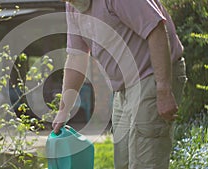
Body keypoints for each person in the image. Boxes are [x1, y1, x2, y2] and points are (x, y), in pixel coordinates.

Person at [52, 0, 187, 169]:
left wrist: (164, 88)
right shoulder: (73, 5)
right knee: (122, 163)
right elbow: (76, 57)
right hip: (123, 89)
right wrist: (64, 110)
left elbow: (156, 28)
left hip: (151, 76)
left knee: (146, 162)